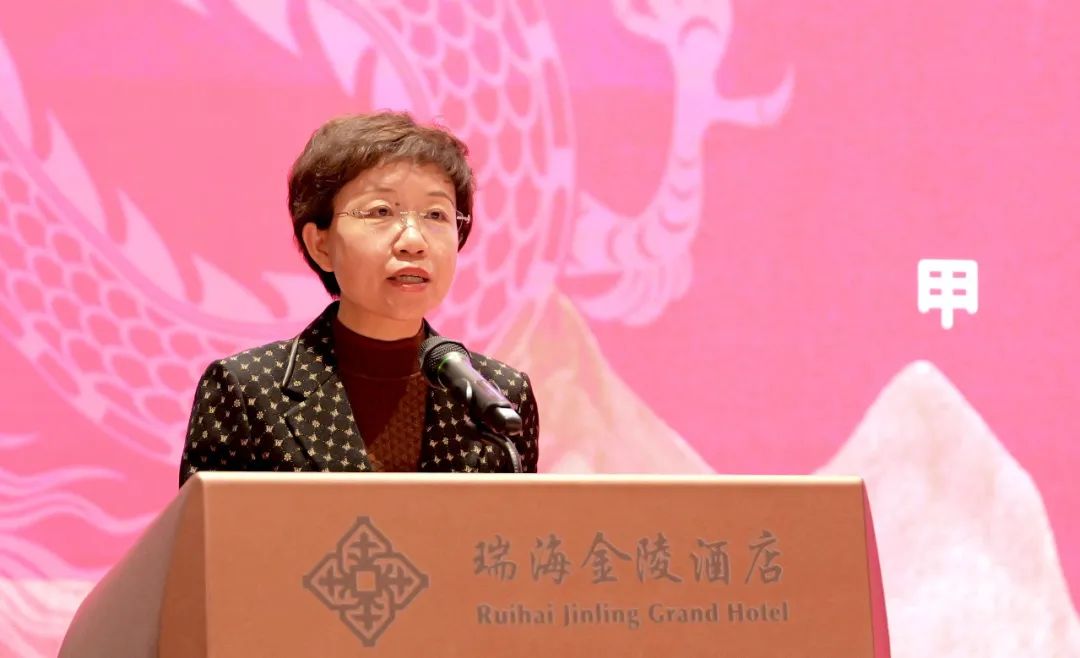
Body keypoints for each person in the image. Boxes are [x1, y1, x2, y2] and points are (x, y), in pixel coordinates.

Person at [178, 112, 539, 487]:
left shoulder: (499, 397)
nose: (413, 241)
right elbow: (211, 525)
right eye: (381, 211)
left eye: (435, 214)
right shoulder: (246, 390)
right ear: (321, 245)